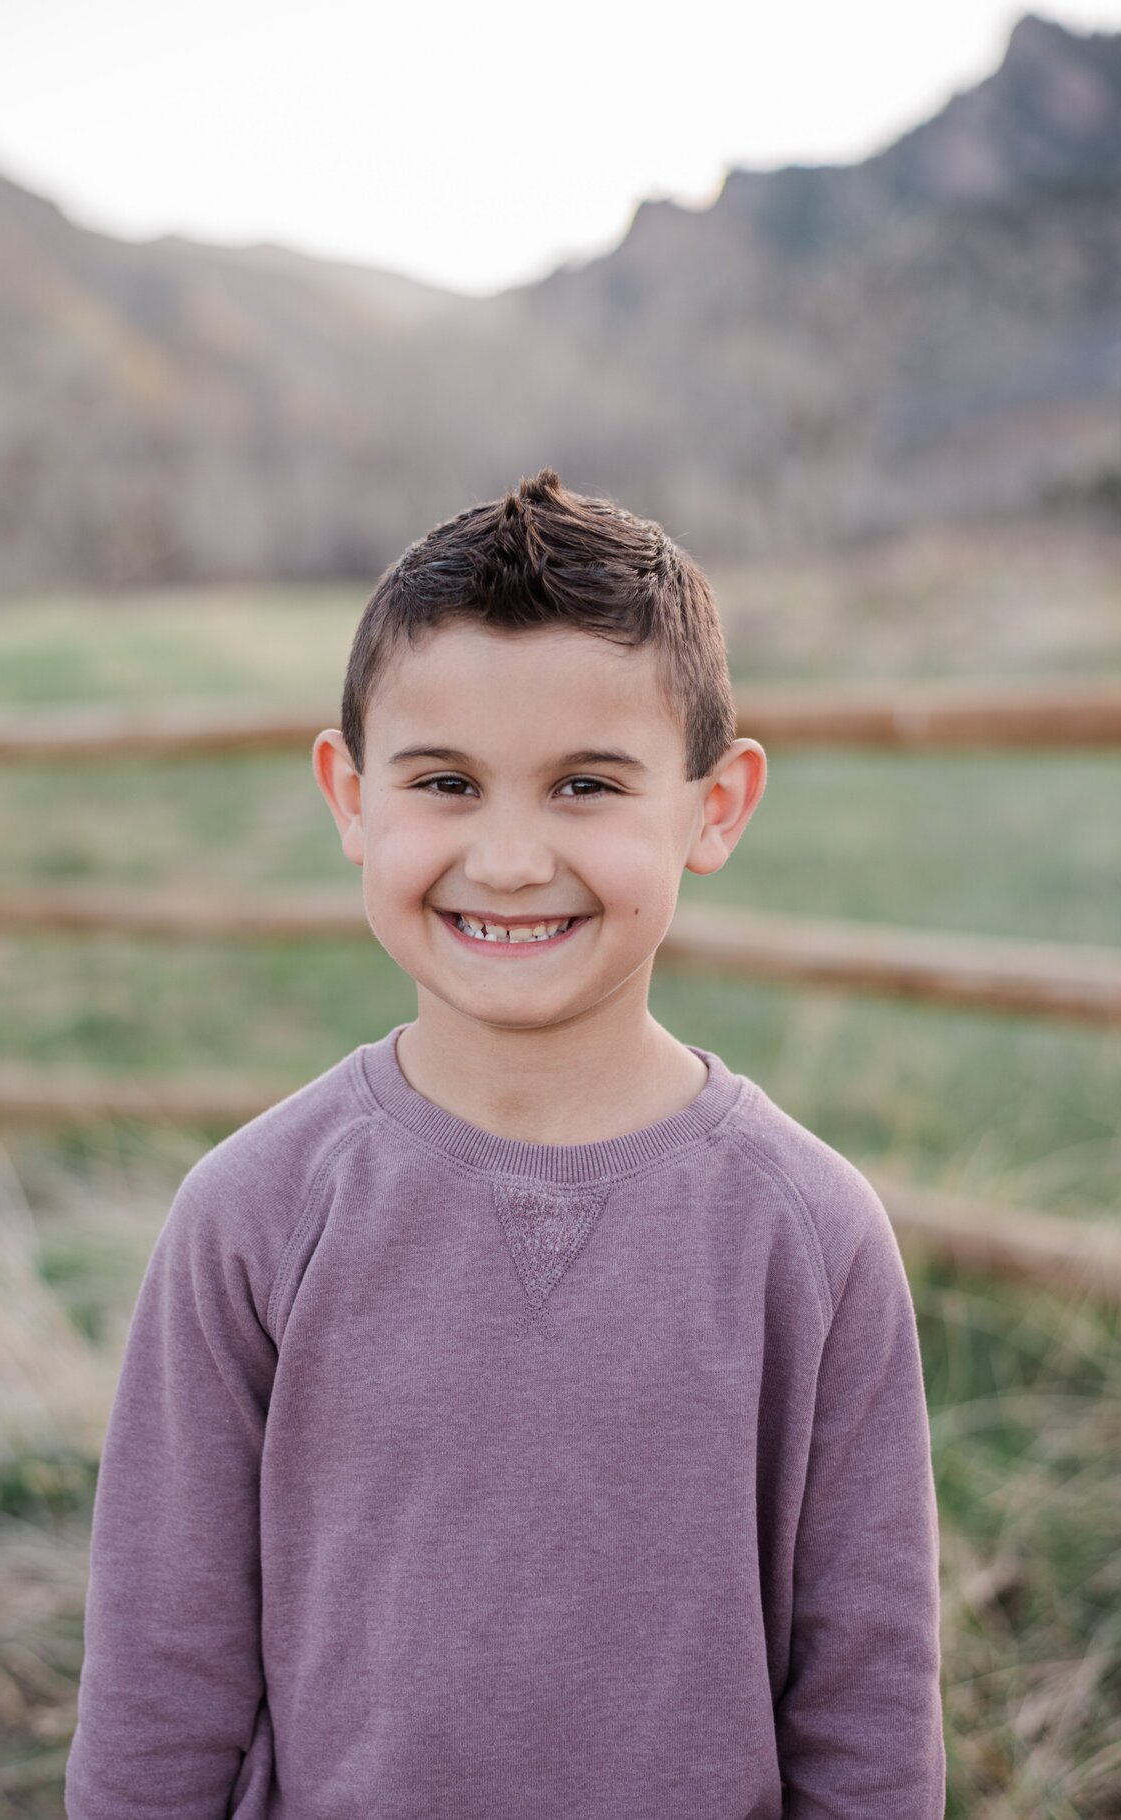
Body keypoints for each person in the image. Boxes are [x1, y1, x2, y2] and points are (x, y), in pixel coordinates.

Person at [65, 469, 945, 1819]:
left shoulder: (807, 1233)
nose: (515, 857)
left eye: (587, 784)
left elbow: (869, 1714)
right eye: (448, 783)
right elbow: (159, 1686)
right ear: (350, 796)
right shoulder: (252, 1214)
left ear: (715, 808)